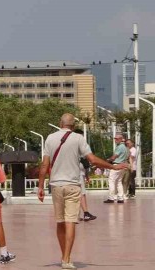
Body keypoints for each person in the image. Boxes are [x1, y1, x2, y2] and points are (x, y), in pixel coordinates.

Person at [38, 113, 126, 269]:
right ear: (73, 126)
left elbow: (45, 165)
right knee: (71, 221)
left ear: (60, 123)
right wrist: (112, 166)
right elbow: (92, 159)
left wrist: (40, 186)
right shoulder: (78, 138)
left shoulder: (50, 138)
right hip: (73, 184)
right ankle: (66, 258)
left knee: (60, 222)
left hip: (56, 185)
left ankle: (63, 255)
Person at [104, 134, 129, 204]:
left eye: (117, 139)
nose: (115, 140)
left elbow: (114, 157)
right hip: (122, 166)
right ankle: (120, 198)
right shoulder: (125, 147)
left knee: (111, 181)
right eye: (115, 139)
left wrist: (107, 161)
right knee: (119, 182)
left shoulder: (120, 147)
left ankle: (111, 198)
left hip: (116, 165)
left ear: (121, 139)